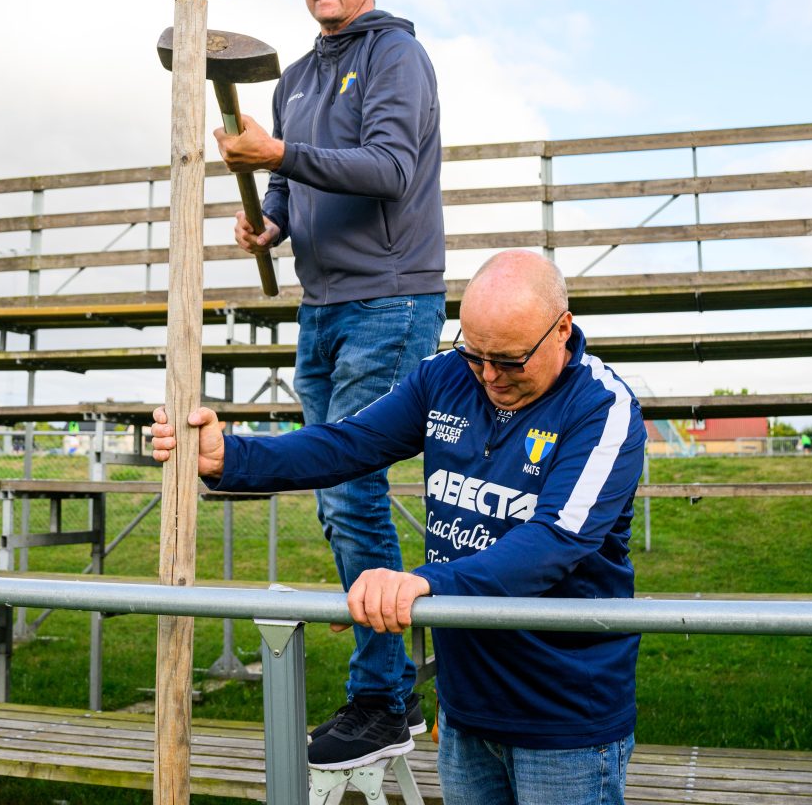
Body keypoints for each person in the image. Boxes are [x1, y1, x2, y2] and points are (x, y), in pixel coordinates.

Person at [152, 251, 645, 802]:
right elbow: (348, 443)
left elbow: (555, 540)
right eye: (475, 353)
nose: (488, 376)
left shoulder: (603, 408)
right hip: (465, 711)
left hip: (564, 720)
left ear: (562, 329)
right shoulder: (444, 376)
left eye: (508, 360)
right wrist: (231, 459)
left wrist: (427, 582)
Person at [210, 0, 446, 763]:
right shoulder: (297, 78)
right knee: (333, 494)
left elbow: (389, 169)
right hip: (321, 304)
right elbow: (289, 180)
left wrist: (280, 152)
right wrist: (271, 221)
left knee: (351, 491)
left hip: (390, 297)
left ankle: (384, 699)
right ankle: (391, 686)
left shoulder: (397, 59)